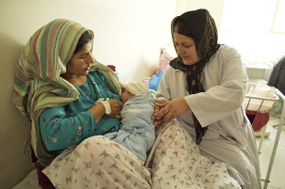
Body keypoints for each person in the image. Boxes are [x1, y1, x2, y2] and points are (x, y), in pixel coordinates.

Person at [12, 19, 152, 188]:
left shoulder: (97, 74)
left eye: (91, 52)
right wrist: (99, 110)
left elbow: (123, 97)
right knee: (94, 147)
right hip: (89, 154)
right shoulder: (51, 92)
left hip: (123, 141)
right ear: (60, 60)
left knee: (172, 124)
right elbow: (54, 136)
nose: (91, 61)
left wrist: (150, 105)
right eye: (82, 56)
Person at [152, 9, 262, 189]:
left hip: (224, 137)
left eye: (186, 45)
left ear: (203, 40)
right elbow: (162, 96)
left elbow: (234, 92)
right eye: (177, 44)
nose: (180, 51)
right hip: (187, 136)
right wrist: (163, 107)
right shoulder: (174, 68)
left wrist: (187, 102)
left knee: (245, 172)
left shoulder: (227, 57)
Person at [104, 81, 155, 163]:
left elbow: (133, 115)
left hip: (140, 135)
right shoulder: (138, 103)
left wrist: (121, 113)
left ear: (131, 92)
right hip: (138, 135)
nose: (120, 95)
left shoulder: (141, 104)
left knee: (133, 146)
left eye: (124, 92)